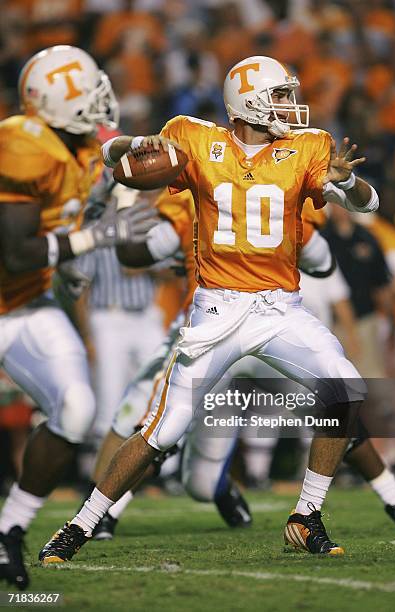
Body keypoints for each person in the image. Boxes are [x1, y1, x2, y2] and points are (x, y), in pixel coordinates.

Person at [40, 54, 380, 563]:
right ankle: (79, 525)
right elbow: (116, 161)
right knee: (163, 429)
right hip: (216, 311)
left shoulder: (309, 147)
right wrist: (130, 145)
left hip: (279, 308)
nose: (290, 106)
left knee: (345, 387)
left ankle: (307, 516)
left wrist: (349, 183)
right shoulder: (193, 138)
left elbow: (367, 205)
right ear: (250, 103)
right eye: (280, 96)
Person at [0, 44, 154, 590]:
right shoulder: (21, 144)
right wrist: (99, 236)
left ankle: (9, 531)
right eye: (87, 91)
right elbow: (14, 251)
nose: (99, 100)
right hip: (14, 285)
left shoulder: (82, 148)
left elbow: (95, 182)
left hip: (23, 303)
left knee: (76, 408)